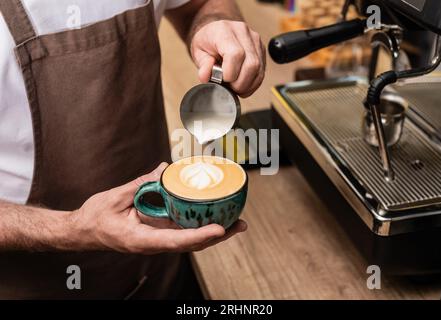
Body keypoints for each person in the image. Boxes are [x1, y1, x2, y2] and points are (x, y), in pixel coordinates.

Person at [0, 0, 265, 299]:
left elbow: (199, 5)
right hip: (33, 280)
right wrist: (72, 228)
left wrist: (215, 22)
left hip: (157, 265)